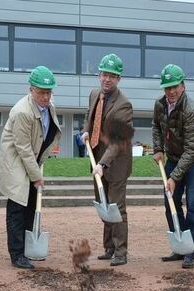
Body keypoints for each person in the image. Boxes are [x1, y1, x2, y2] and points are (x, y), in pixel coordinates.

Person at [0, 66, 62, 269]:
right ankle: (16, 254)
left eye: (48, 91)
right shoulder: (22, 111)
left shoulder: (49, 106)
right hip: (16, 161)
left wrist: (38, 164)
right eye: (41, 92)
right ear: (31, 89)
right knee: (17, 207)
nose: (45, 96)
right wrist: (36, 176)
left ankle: (27, 248)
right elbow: (23, 147)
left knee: (32, 204)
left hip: (33, 159)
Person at [152, 64, 194, 269]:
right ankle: (180, 245)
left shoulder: (191, 110)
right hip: (174, 157)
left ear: (183, 86)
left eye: (175, 86)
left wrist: (174, 177)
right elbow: (156, 127)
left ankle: (191, 249)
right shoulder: (160, 105)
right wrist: (158, 148)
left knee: (192, 202)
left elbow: (192, 150)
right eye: (167, 87)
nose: (171, 91)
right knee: (170, 201)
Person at [80, 53, 135, 266]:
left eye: (112, 76)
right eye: (104, 74)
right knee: (103, 204)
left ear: (118, 79)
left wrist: (103, 164)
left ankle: (121, 252)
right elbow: (89, 117)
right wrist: (85, 131)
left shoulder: (124, 105)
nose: (107, 79)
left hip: (116, 163)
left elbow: (118, 142)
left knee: (116, 207)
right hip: (97, 159)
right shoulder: (94, 94)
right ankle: (109, 248)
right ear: (99, 75)